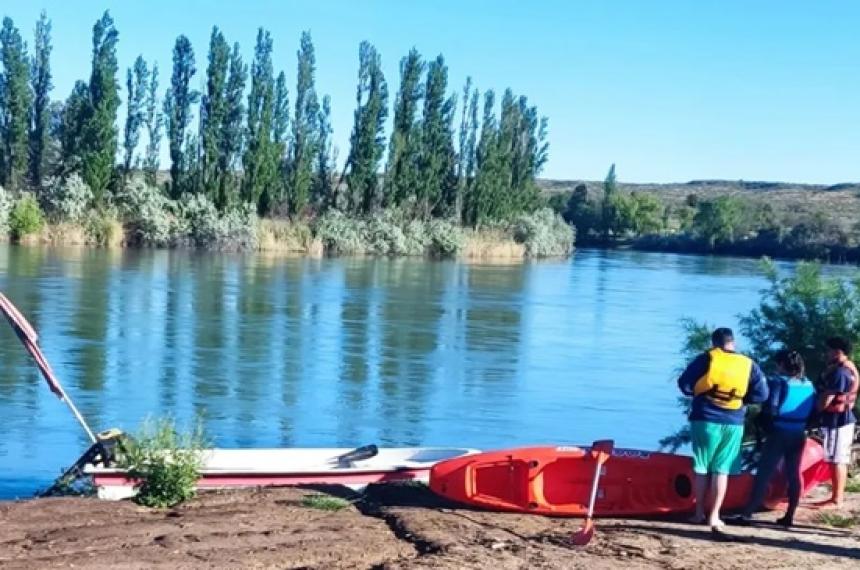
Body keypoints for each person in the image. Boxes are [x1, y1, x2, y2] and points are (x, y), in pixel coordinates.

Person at [677, 327, 768, 531]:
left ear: (714, 343)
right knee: (722, 470)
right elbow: (762, 394)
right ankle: (714, 516)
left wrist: (699, 395)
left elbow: (684, 384)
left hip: (705, 419)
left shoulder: (707, 358)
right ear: (732, 343)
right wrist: (742, 400)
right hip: (733, 421)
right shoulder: (748, 363)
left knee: (702, 467)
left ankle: (698, 512)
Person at [732, 350, 815, 528]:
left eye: (778, 364)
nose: (777, 368)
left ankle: (747, 514)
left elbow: (771, 408)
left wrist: (763, 424)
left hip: (779, 432)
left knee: (764, 473)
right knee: (793, 474)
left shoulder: (778, 383)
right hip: (799, 432)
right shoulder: (808, 384)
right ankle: (790, 515)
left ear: (783, 365)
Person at [816, 336, 858, 508]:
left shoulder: (840, 373)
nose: (826, 354)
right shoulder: (849, 368)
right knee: (838, 458)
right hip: (843, 420)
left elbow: (828, 397)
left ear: (837, 352)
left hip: (839, 421)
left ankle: (836, 498)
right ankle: (836, 496)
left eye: (829, 350)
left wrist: (816, 410)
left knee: (837, 459)